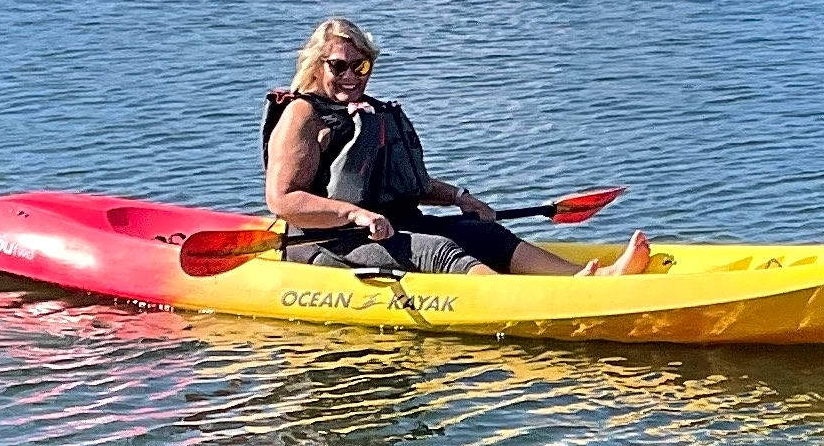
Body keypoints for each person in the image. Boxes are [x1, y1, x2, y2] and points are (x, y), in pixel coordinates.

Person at [261, 18, 654, 278]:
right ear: (317, 66)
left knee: (484, 234)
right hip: (330, 242)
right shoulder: (302, 115)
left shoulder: (370, 113)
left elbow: (405, 183)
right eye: (338, 66)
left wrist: (461, 197)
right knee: (442, 252)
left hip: (393, 227)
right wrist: (355, 215)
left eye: (360, 66)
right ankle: (531, 300)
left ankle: (592, 278)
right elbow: (283, 199)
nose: (350, 76)